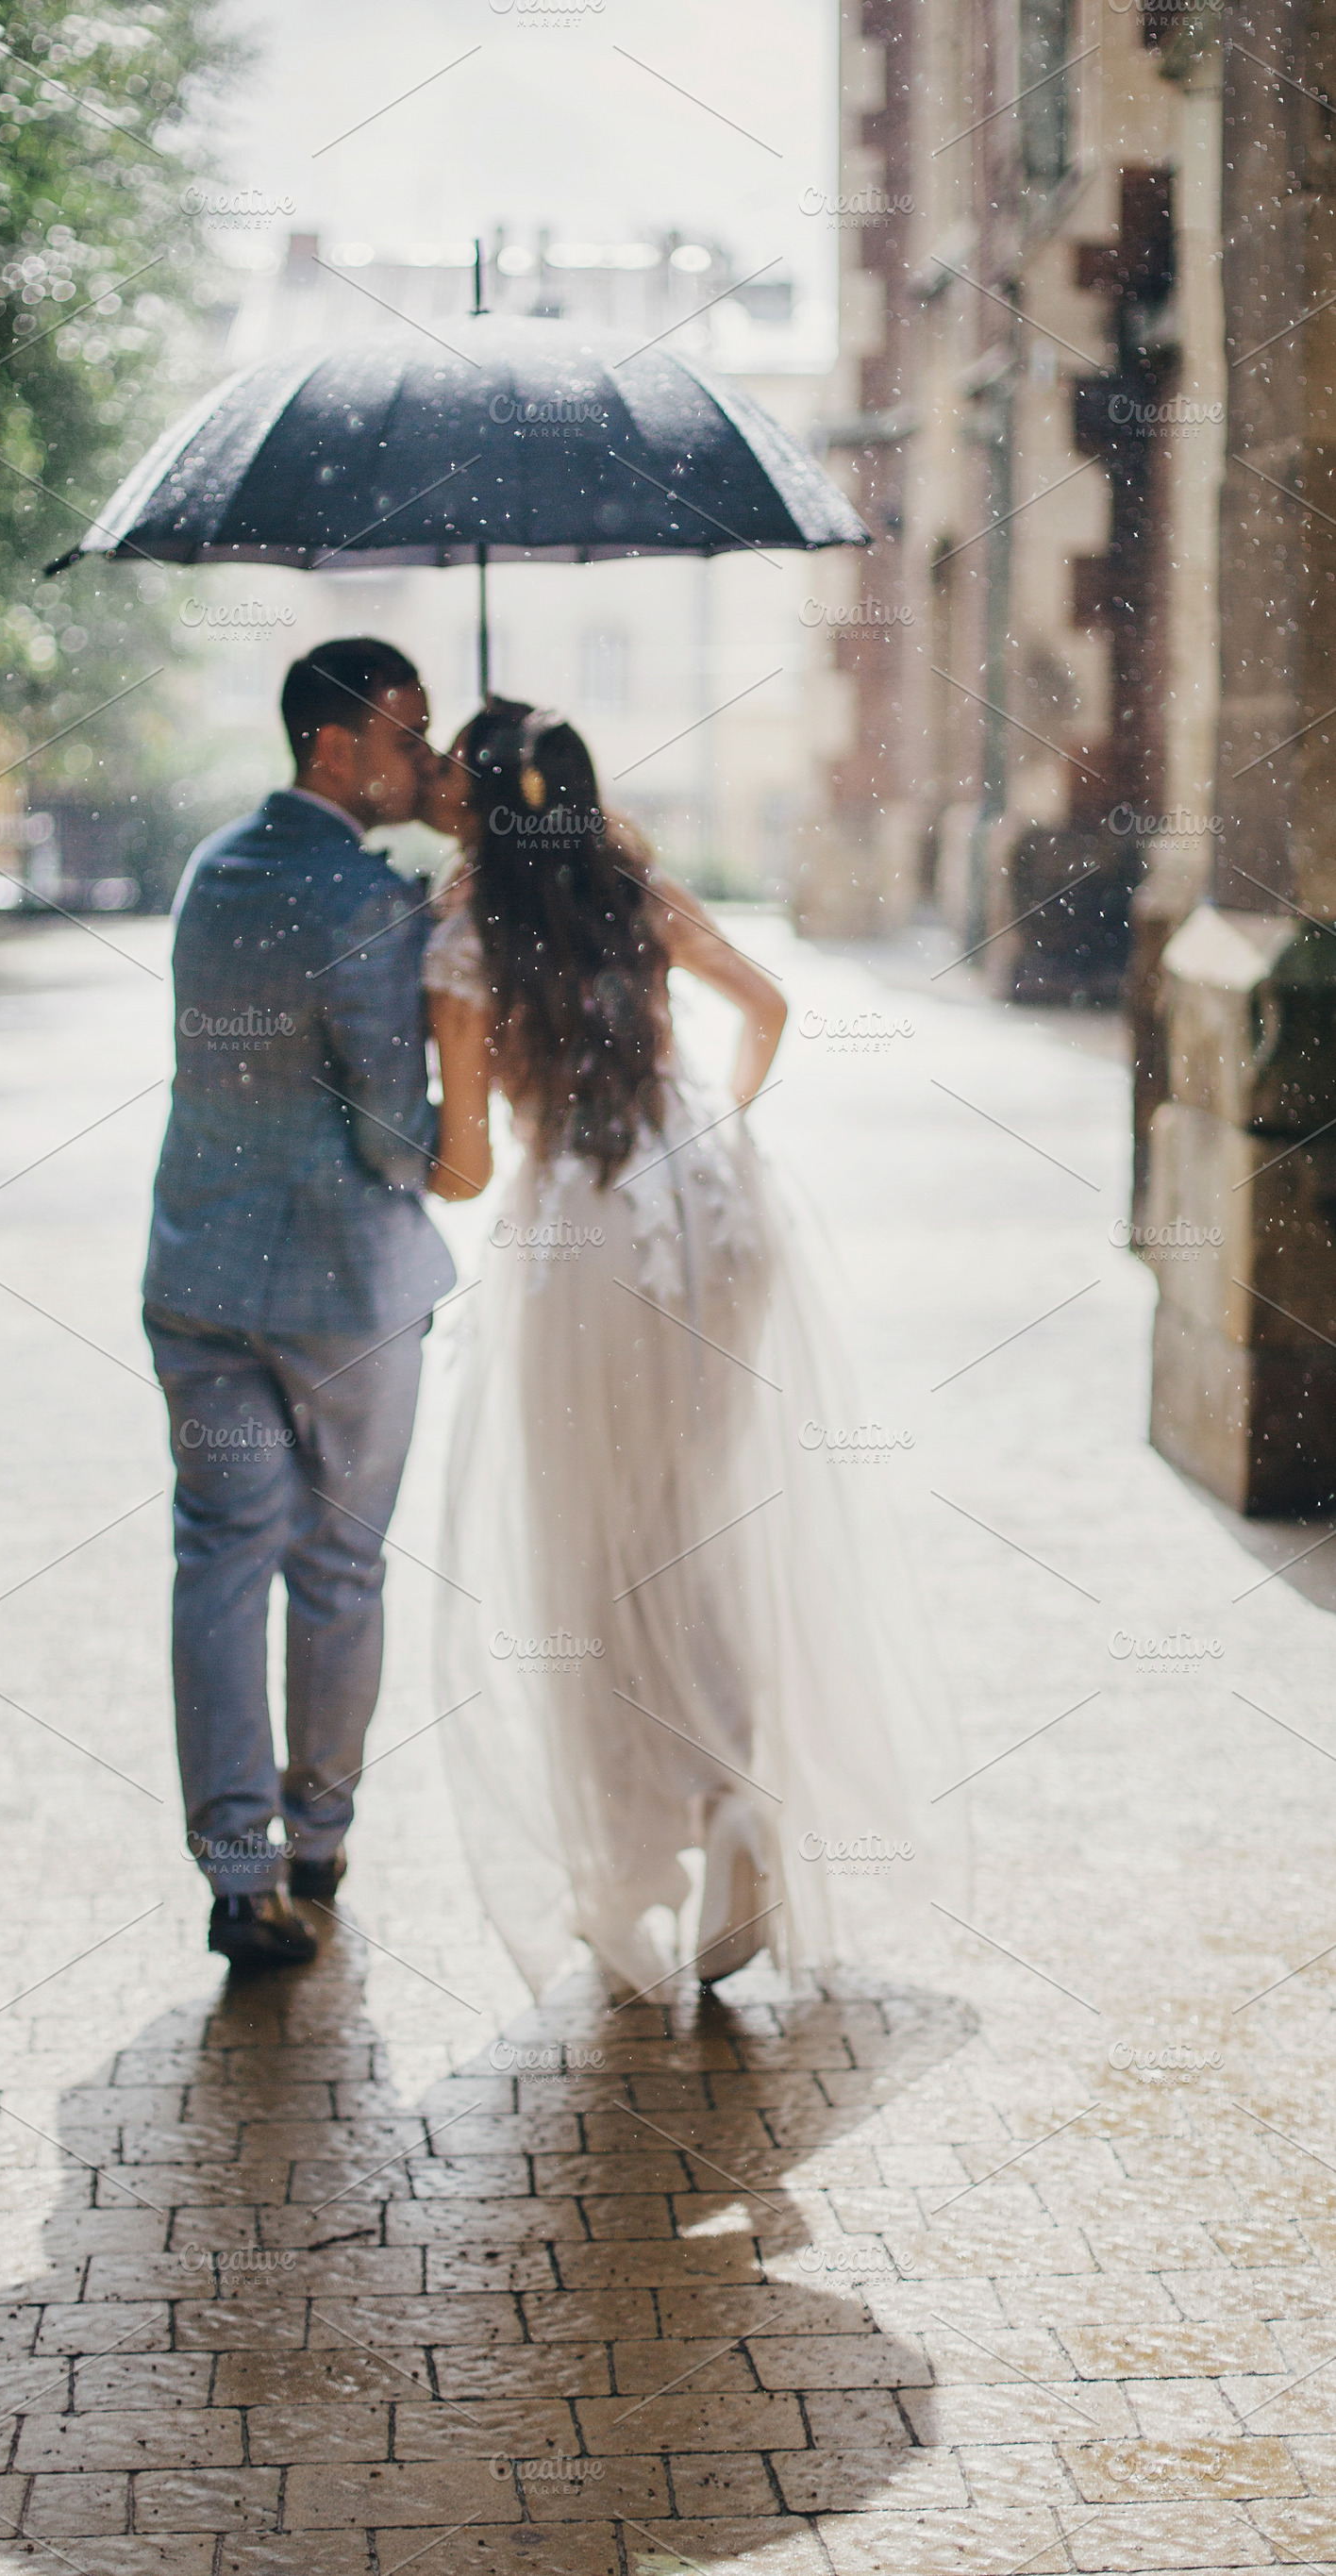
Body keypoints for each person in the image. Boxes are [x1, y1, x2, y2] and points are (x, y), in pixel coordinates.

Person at [420, 699, 957, 1999]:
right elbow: (764, 1005)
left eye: (451, 768)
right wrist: (709, 1128)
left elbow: (470, 1159)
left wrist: (432, 1136)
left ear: (481, 801)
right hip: (710, 1207)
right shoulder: (632, 883)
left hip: (582, 1235)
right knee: (692, 1520)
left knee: (591, 1550)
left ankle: (659, 1845)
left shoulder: (464, 926)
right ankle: (731, 1791)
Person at [143, 638, 453, 1975]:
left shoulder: (214, 870)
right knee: (336, 1562)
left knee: (220, 1555)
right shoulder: (369, 906)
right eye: (407, 733)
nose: (424, 759)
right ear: (336, 747)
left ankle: (236, 1868)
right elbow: (396, 1136)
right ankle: (318, 1835)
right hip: (342, 1290)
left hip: (200, 1274)